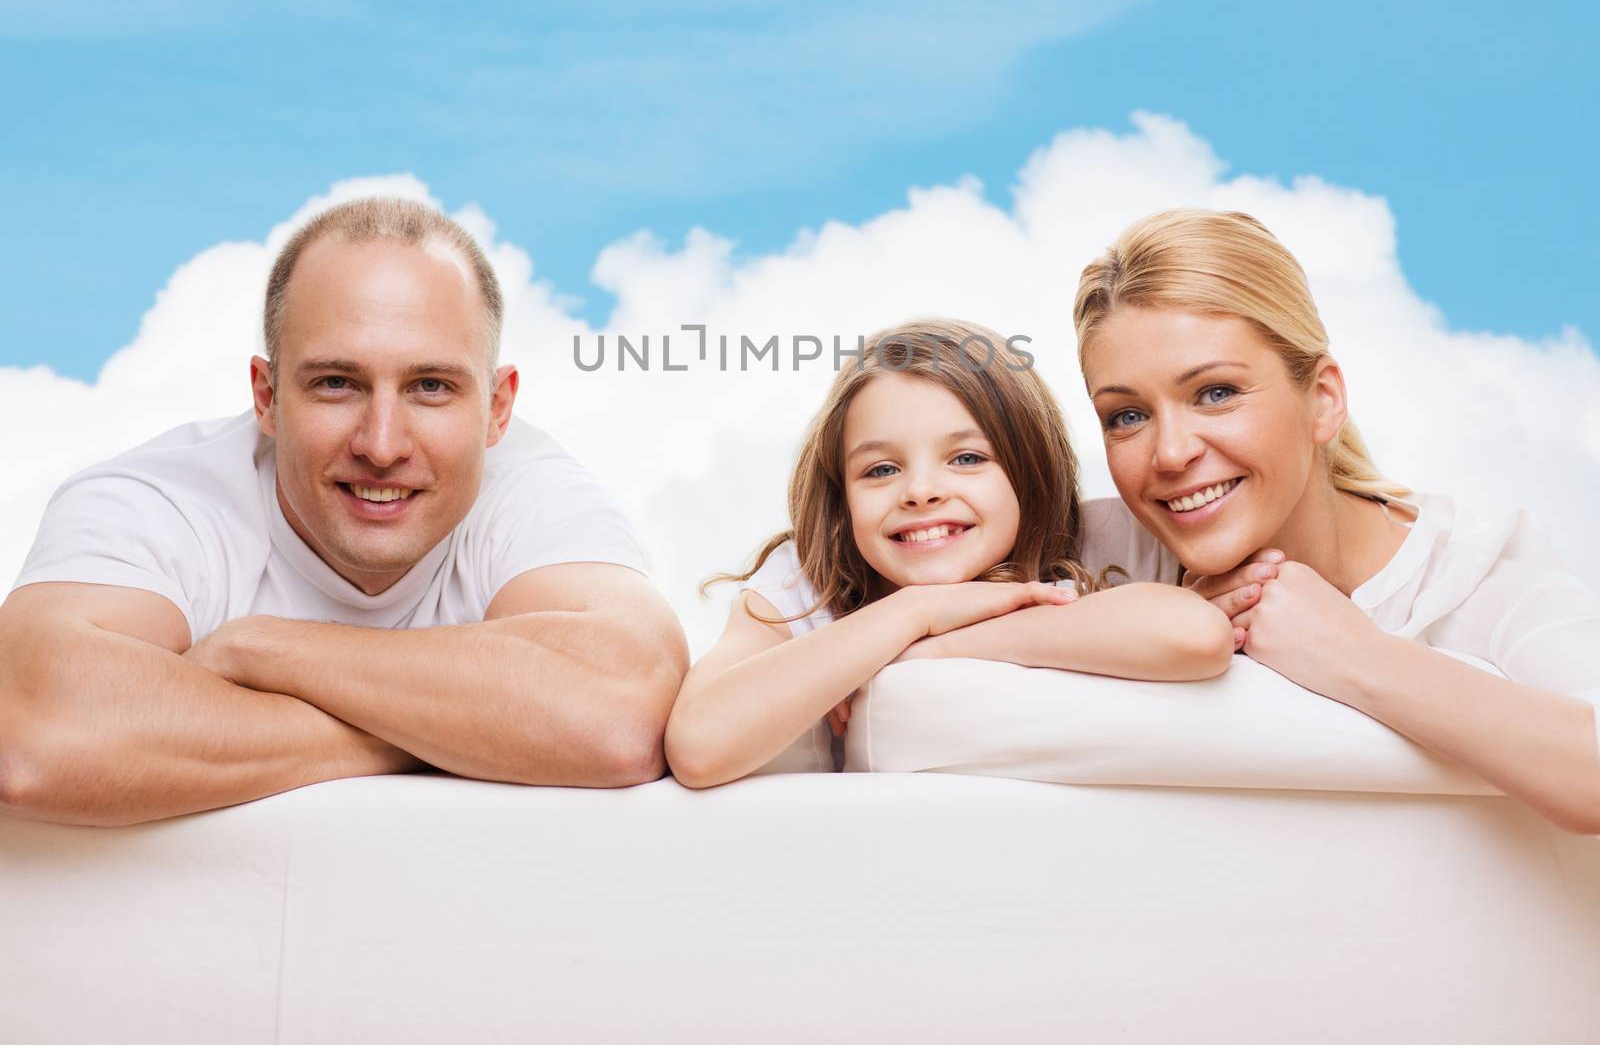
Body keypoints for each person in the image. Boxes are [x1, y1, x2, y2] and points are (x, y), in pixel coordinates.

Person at [0, 197, 688, 827]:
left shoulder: (534, 494)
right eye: (336, 383)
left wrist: (260, 650)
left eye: (430, 386)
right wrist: (469, 732)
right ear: (266, 396)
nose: (382, 445)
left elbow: (622, 718)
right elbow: (32, 738)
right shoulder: (159, 502)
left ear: (498, 408)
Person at [1073, 208, 1600, 834]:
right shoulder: (1100, 551)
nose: (1170, 452)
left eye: (1216, 393)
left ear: (1323, 399)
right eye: (1126, 416)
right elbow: (928, 615)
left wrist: (1355, 656)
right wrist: (1161, 626)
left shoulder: (1476, 577)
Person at [664, 319, 1233, 789]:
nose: (919, 491)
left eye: (966, 458)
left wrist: (926, 650)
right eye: (880, 470)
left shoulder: (1100, 538)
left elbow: (1196, 634)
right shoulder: (806, 583)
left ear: (1029, 472)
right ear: (843, 498)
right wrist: (911, 612)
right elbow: (698, 744)